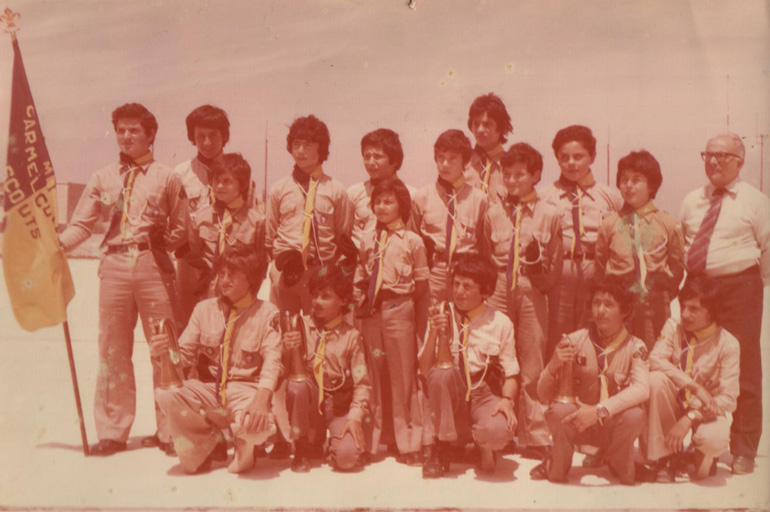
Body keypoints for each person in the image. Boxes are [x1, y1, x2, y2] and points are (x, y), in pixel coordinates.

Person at [59, 103, 187, 456]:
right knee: (112, 348)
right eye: (121, 130)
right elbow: (83, 224)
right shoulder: (103, 177)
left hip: (152, 262)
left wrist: (164, 240)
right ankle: (113, 431)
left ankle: (171, 430)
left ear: (150, 135)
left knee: (165, 346)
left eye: (134, 130)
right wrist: (57, 247)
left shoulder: (167, 177)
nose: (126, 136)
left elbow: (181, 228)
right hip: (114, 263)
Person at [679, 133, 770, 475]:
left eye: (722, 155)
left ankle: (744, 446)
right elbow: (686, 243)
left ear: (740, 161)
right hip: (700, 288)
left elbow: (767, 250)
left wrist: (749, 285)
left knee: (743, 363)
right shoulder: (692, 200)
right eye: (708, 154)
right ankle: (699, 443)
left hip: (740, 286)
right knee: (694, 364)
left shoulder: (756, 201)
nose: (713, 161)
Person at [151, 245, 281, 474]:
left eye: (232, 274)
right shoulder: (204, 310)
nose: (224, 280)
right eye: (222, 273)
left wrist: (262, 399)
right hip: (211, 391)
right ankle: (209, 440)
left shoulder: (267, 313)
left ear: (250, 278)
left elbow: (273, 361)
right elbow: (183, 355)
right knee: (166, 393)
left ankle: (245, 446)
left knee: (259, 429)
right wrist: (161, 353)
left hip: (245, 392)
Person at [482, 142, 562, 460]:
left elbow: (554, 267)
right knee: (496, 358)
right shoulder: (492, 213)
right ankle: (498, 430)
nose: (512, 181)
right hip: (500, 289)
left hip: (532, 291)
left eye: (520, 175)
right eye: (507, 175)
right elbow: (486, 258)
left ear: (536, 175)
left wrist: (539, 276)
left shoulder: (550, 215)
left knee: (531, 362)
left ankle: (535, 436)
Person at [531, 278, 649, 485]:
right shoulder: (575, 340)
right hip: (578, 424)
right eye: (596, 303)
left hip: (609, 424)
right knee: (559, 411)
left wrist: (598, 411)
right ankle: (556, 465)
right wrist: (553, 365)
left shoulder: (635, 347)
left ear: (625, 311)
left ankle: (616, 461)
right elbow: (541, 394)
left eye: (609, 304)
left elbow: (641, 389)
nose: (600, 310)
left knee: (636, 415)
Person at [418, 255, 519, 478]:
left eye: (467, 286)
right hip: (451, 392)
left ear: (486, 292)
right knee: (442, 373)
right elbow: (424, 371)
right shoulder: (441, 313)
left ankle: (480, 446)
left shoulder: (500, 322)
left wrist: (507, 400)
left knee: (499, 433)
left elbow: (511, 372)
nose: (459, 291)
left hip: (482, 392)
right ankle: (440, 448)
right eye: (456, 284)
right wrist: (435, 331)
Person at [356, 179, 430, 464]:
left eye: (388, 201)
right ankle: (369, 443)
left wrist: (401, 303)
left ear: (401, 204)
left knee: (403, 377)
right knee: (371, 375)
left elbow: (421, 284)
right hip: (372, 315)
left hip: (399, 311)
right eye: (377, 202)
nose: (382, 207)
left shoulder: (412, 241)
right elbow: (361, 278)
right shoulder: (366, 239)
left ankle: (409, 443)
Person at [642, 276, 740, 482]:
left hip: (703, 410)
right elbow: (654, 359)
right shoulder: (674, 326)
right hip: (674, 403)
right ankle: (665, 457)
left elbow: (729, 399)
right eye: (684, 306)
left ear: (712, 311)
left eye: (694, 309)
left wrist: (691, 418)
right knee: (655, 379)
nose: (685, 314)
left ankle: (697, 452)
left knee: (713, 441)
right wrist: (694, 386)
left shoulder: (728, 344)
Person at [540, 125, 623, 360]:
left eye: (579, 157)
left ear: (592, 157)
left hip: (595, 271)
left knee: (594, 329)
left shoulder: (609, 196)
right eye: (564, 158)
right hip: (561, 272)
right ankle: (559, 388)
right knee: (559, 330)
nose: (571, 163)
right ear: (556, 159)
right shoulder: (546, 196)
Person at [282, 264, 372, 472]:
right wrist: (287, 349)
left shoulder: (352, 337)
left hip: (338, 406)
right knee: (297, 386)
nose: (317, 302)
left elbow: (362, 384)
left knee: (348, 459)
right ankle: (302, 447)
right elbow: (283, 372)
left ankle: (334, 446)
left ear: (342, 301)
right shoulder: (301, 326)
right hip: (311, 405)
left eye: (325, 296)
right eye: (315, 295)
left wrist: (355, 417)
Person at [266, 115, 354, 316]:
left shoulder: (336, 190)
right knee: (285, 333)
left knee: (318, 333)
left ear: (321, 149)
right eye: (296, 144)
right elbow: (270, 236)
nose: (300, 151)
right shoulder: (279, 188)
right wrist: (277, 266)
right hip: (285, 272)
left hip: (320, 272)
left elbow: (343, 234)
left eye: (308, 145)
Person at [596, 150, 684, 347]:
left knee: (654, 353)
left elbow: (677, 266)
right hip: (619, 303)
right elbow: (600, 265)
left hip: (654, 303)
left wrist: (663, 292)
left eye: (637, 180)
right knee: (618, 353)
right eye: (624, 179)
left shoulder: (668, 224)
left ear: (651, 185)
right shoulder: (610, 224)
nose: (629, 185)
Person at [411, 129, 489, 303]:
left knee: (464, 324)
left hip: (467, 272)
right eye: (440, 157)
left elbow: (485, 247)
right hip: (434, 272)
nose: (445, 164)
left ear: (465, 162)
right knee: (431, 323)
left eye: (452, 158)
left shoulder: (480, 200)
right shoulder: (421, 197)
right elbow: (413, 240)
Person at [174, 105, 232, 327]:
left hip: (228, 260)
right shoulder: (180, 174)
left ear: (224, 136)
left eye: (214, 136)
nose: (207, 142)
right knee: (189, 323)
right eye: (201, 136)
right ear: (192, 138)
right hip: (191, 261)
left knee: (226, 324)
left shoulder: (238, 171)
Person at [187, 153, 266, 303]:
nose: (220, 186)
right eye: (216, 181)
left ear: (241, 184)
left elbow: (261, 263)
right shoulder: (200, 219)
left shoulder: (256, 222)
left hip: (243, 295)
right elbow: (196, 254)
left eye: (227, 181)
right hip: (209, 293)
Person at [348, 129, 414, 247]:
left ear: (394, 161)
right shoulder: (354, 193)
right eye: (367, 156)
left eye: (378, 156)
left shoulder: (412, 196)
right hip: (360, 262)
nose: (371, 162)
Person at [464, 93, 513, 199]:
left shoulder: (512, 167)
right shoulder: (462, 163)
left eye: (487, 124)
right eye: (476, 124)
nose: (480, 130)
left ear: (501, 127)